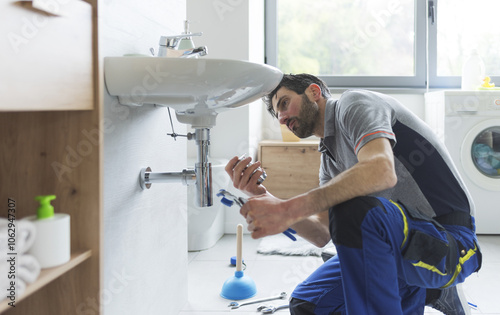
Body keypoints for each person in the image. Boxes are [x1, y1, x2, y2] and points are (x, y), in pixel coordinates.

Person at [225, 74, 482, 315]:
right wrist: (264, 195)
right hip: (398, 246)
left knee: (355, 211)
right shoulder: (329, 160)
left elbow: (381, 170)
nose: (281, 118)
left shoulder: (354, 103)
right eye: (277, 114)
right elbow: (320, 234)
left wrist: (288, 209)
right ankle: (426, 289)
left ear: (314, 92)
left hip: (450, 241)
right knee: (308, 304)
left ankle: (432, 286)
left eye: (284, 103)